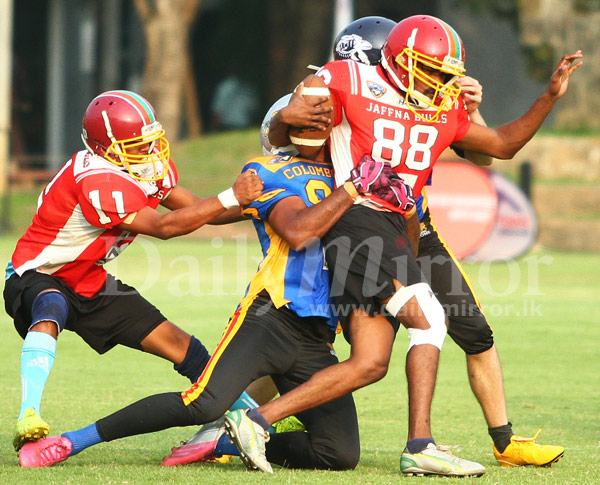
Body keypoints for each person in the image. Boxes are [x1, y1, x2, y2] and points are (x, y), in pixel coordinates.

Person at [225, 14, 581, 477]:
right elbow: (289, 138)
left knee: (370, 363)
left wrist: (548, 97)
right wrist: (292, 113)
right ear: (394, 59)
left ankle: (252, 420)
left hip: (400, 227)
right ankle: (420, 445)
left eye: (443, 73)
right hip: (356, 219)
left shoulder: (443, 104)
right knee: (429, 317)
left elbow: (500, 144)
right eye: (428, 68)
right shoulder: (348, 79)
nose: (437, 80)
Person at [16, 114, 413, 471]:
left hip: (318, 333)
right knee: (203, 402)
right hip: (271, 317)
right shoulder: (277, 171)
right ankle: (68, 442)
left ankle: (223, 442)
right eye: (308, 125)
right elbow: (296, 231)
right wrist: (350, 188)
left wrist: (407, 208)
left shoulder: (361, 175)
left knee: (339, 454)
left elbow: (402, 248)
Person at [4, 90, 263, 452]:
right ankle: (28, 415)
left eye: (150, 142)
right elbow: (165, 227)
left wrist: (263, 205)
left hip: (89, 280)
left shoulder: (141, 167)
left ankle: (260, 417)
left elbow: (203, 210)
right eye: (138, 145)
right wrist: (231, 196)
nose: (150, 153)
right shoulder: (96, 178)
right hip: (37, 272)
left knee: (183, 347)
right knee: (52, 307)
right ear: (105, 148)